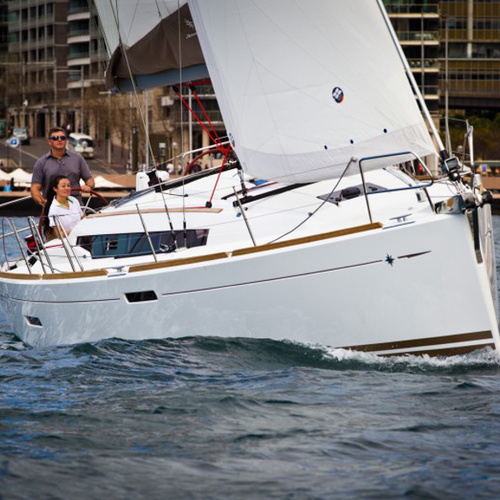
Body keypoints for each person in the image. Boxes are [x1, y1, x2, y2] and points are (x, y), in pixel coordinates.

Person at [31, 127, 95, 207]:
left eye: (62, 138)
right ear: (49, 142)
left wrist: (88, 186)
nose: (59, 140)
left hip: (75, 206)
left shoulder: (78, 158)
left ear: (66, 141)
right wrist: (41, 201)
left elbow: (90, 180)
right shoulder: (41, 163)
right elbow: (35, 188)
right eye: (55, 138)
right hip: (52, 207)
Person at [42, 175, 83, 239]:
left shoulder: (74, 200)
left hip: (81, 237)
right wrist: (77, 231)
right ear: (55, 189)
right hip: (69, 241)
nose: (67, 188)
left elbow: (82, 218)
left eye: (68, 185)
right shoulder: (54, 209)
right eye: (63, 186)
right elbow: (60, 235)